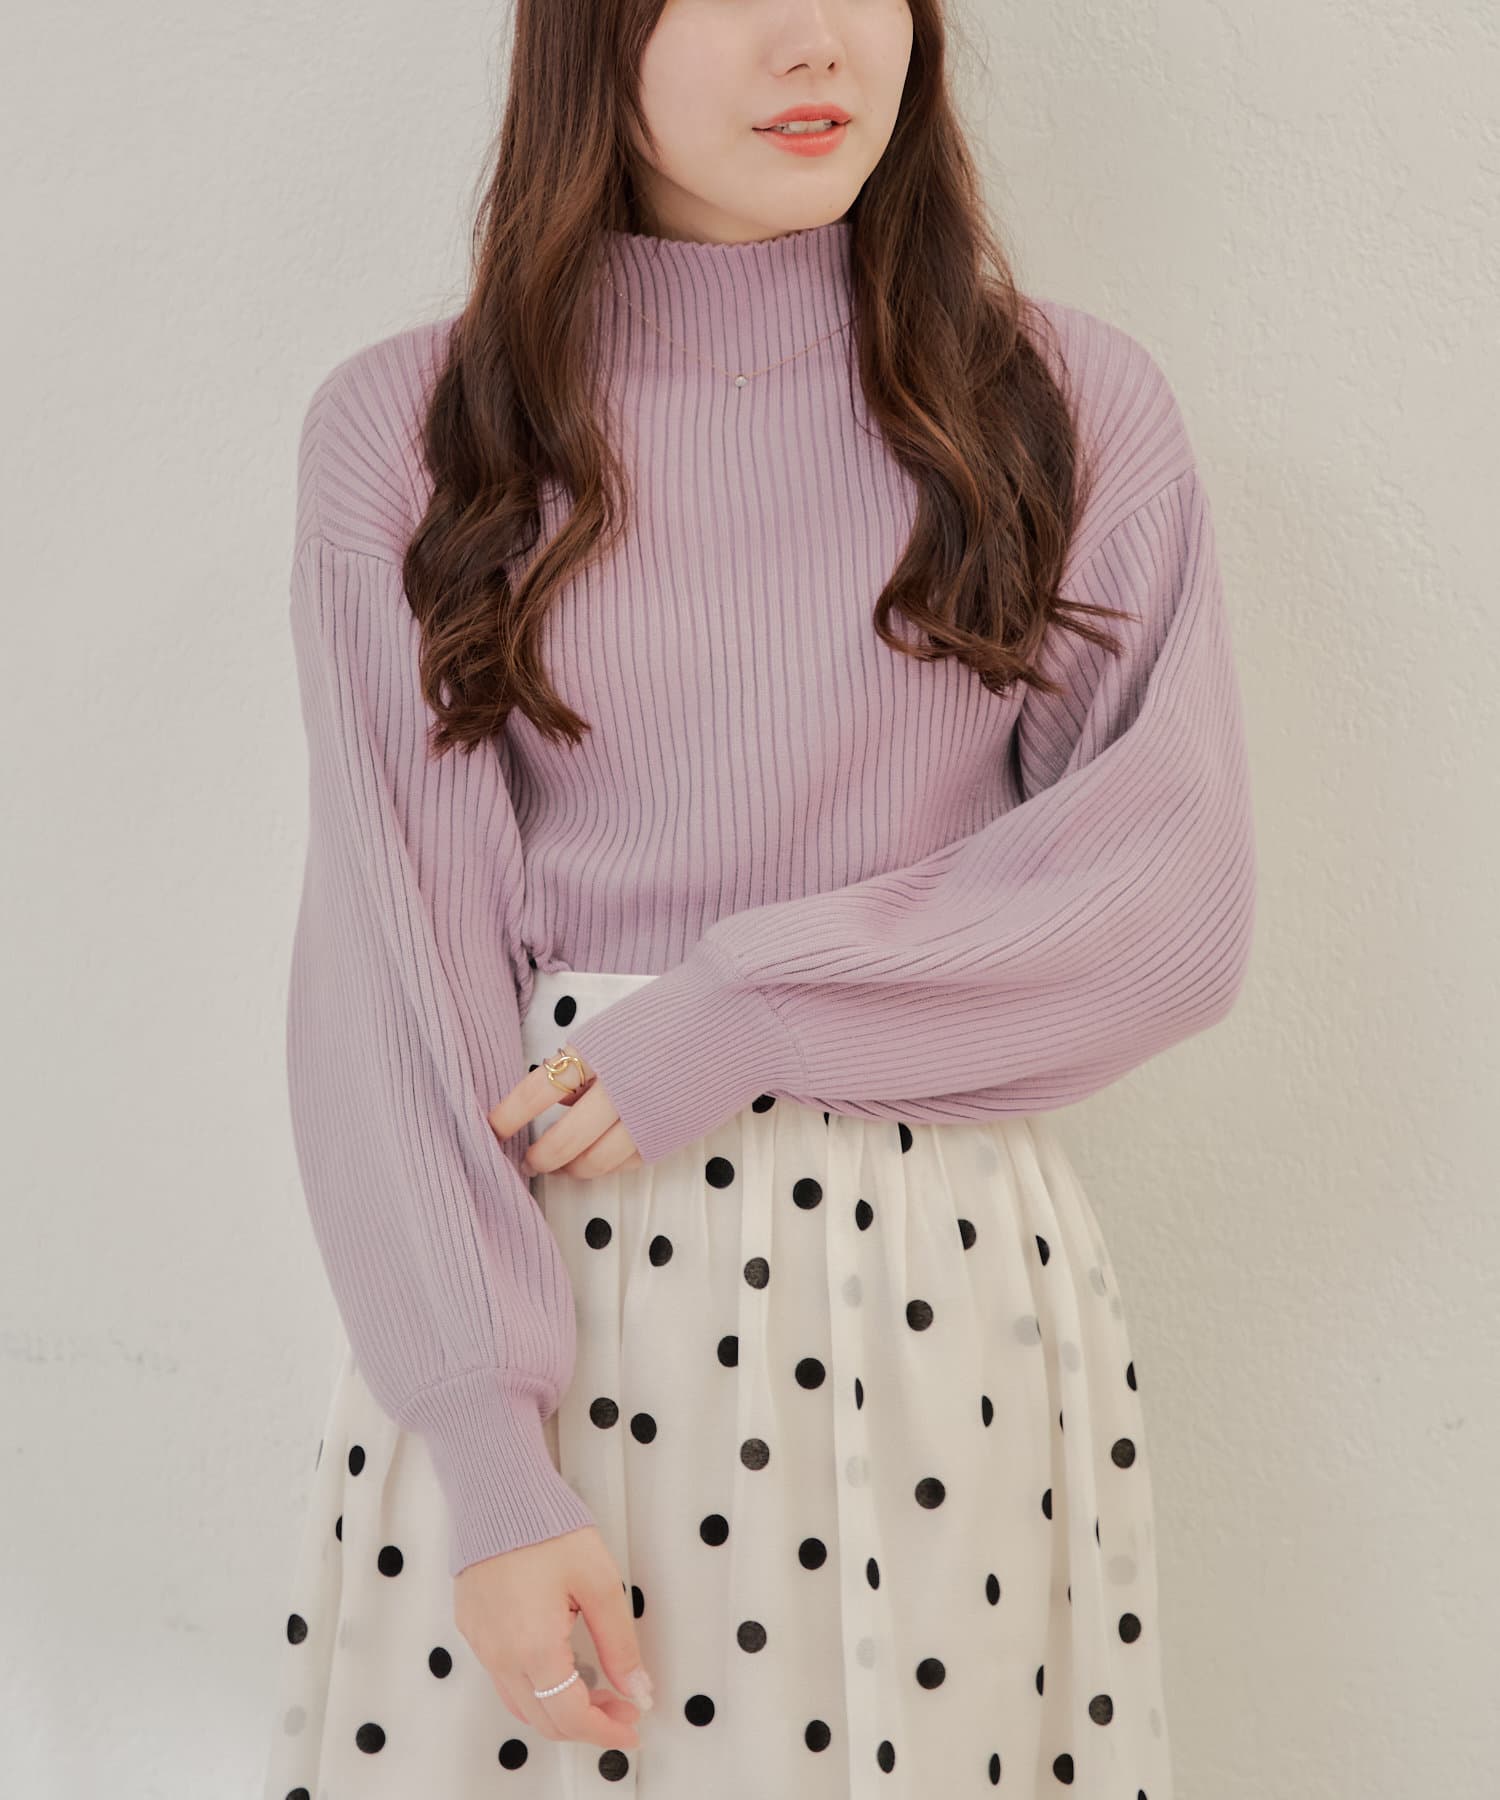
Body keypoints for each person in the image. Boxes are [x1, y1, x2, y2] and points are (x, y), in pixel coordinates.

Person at [259, 2, 1257, 1795]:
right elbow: (394, 974)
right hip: (552, 1286)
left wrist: (754, 1006)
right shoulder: (415, 433)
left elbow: (1167, 897)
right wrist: (487, 1452)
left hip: (932, 1295)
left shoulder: (1057, 403)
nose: (818, 42)